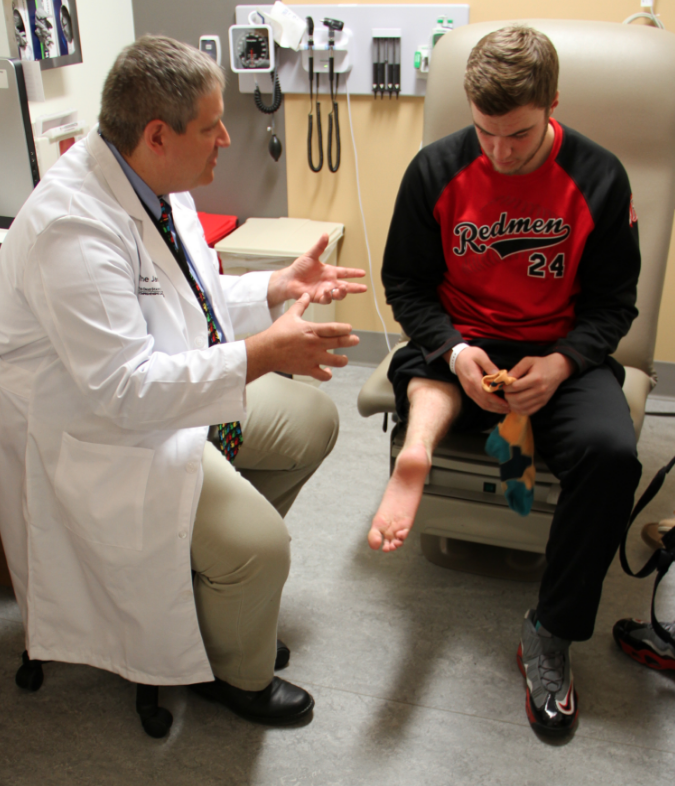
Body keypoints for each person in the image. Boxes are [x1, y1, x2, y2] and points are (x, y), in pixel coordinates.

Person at [0, 35, 366, 725]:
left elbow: (186, 292)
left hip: (163, 392)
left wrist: (275, 285)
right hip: (96, 435)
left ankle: (211, 595)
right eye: (211, 126)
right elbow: (121, 391)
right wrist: (259, 353)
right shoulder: (70, 226)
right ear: (157, 134)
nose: (227, 138)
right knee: (259, 547)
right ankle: (235, 675)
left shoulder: (157, 179)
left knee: (312, 421)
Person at [368, 25, 642, 736]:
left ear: (552, 103)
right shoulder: (435, 169)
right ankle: (417, 450)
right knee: (427, 367)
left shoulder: (600, 177)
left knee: (611, 455)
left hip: (554, 350)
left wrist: (561, 363)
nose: (499, 151)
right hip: (461, 343)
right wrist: (455, 349)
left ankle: (549, 633)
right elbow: (403, 282)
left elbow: (614, 304)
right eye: (484, 132)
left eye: (517, 134)